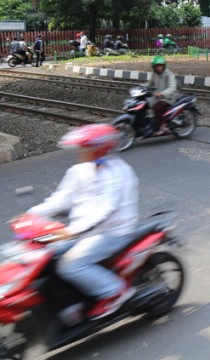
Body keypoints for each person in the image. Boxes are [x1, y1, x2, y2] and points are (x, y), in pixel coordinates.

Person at [23, 124, 138, 320]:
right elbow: (59, 199)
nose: (80, 153)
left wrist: (72, 230)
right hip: (83, 232)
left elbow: (105, 208)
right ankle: (71, 303)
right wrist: (30, 215)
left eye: (85, 149)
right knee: (42, 254)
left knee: (70, 265)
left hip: (112, 232)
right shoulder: (79, 171)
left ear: (99, 149)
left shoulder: (117, 173)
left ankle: (114, 291)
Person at [146, 56, 179, 135]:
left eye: (161, 65)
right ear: (154, 67)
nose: (159, 68)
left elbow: (172, 87)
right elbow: (149, 84)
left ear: (164, 66)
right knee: (145, 102)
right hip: (158, 96)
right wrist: (140, 87)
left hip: (169, 97)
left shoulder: (169, 74)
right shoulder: (154, 74)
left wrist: (162, 93)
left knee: (156, 107)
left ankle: (163, 126)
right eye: (157, 66)